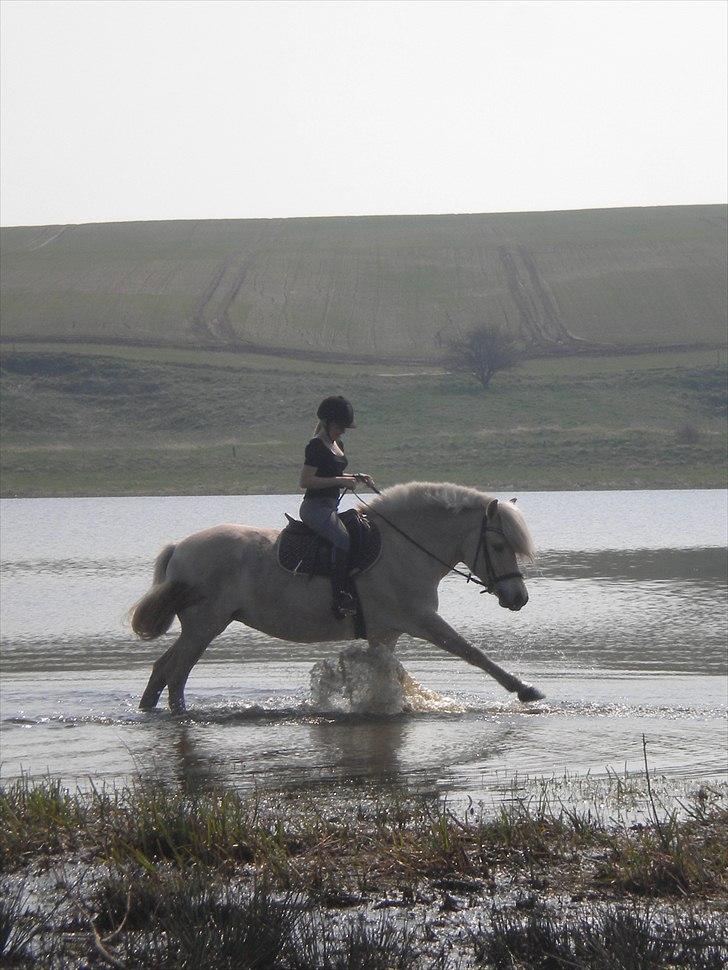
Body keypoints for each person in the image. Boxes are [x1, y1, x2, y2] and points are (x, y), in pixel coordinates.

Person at [299, 396, 375, 618]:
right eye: (340, 426)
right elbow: (306, 482)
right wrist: (341, 481)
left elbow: (331, 473)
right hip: (314, 508)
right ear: (328, 423)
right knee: (342, 539)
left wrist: (357, 477)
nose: (343, 431)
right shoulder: (315, 446)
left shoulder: (336, 445)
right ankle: (339, 596)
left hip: (330, 507)